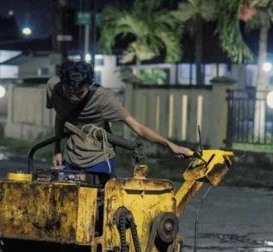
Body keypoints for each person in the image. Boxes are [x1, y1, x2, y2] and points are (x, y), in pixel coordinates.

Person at [46, 60, 192, 175]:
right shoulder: (54, 87)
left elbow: (138, 128)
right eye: (69, 92)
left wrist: (171, 144)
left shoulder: (104, 99)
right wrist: (57, 151)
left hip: (99, 158)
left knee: (101, 206)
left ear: (90, 86)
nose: (73, 98)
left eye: (79, 94)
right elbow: (60, 116)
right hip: (70, 157)